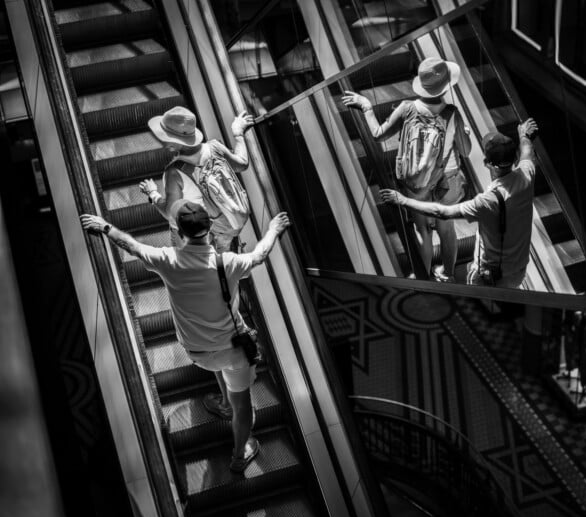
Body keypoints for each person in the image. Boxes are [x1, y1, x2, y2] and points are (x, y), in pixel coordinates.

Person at [79, 202, 290, 472]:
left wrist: (105, 227)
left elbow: (132, 246)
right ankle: (239, 455)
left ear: (179, 232)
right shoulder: (228, 263)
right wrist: (273, 229)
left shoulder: (168, 260)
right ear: (210, 228)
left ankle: (224, 404)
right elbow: (259, 255)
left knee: (218, 366)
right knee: (244, 407)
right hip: (234, 352)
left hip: (197, 353)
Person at [342, 57, 471, 282]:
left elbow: (378, 134)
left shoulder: (406, 108)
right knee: (446, 228)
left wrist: (366, 107)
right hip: (447, 181)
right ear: (444, 87)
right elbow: (466, 151)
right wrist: (465, 134)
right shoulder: (452, 113)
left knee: (422, 231)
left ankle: (423, 279)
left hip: (416, 182)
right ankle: (448, 275)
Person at [379, 118, 538, 289]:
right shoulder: (526, 174)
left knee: (479, 297)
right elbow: (527, 151)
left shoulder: (487, 201)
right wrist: (524, 135)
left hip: (491, 278)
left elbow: (442, 212)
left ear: (487, 164)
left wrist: (403, 200)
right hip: (518, 271)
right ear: (515, 158)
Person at [139, 106, 255, 252]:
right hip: (236, 218)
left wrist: (153, 194)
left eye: (165, 137)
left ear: (176, 142)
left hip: (212, 230)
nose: (163, 142)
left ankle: (222, 255)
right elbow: (242, 164)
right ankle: (228, 251)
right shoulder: (215, 147)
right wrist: (238, 133)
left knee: (185, 239)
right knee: (224, 245)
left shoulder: (174, 173)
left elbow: (170, 214)